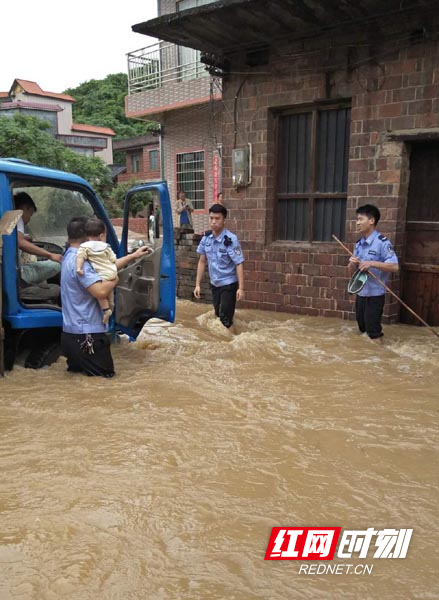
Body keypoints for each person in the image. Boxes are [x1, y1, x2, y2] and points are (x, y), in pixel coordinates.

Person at [61, 217, 150, 377]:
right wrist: (115, 279)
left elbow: (104, 267)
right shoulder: (80, 262)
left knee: (80, 383)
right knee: (105, 384)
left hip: (70, 335)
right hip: (88, 336)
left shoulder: (69, 256)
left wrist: (132, 256)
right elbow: (101, 291)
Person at [348, 204, 399, 343]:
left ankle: (381, 358)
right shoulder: (359, 244)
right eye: (357, 219)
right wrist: (352, 264)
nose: (357, 223)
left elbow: (395, 266)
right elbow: (351, 272)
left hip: (375, 296)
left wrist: (372, 263)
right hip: (361, 294)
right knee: (363, 330)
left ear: (371, 221)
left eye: (360, 219)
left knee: (374, 333)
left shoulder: (382, 243)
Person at [194, 203, 244, 333]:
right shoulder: (206, 238)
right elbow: (201, 261)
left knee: (225, 319)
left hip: (229, 284)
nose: (214, 222)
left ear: (224, 220)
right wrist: (197, 284)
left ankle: (236, 343)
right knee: (217, 314)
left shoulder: (231, 239)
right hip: (214, 284)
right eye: (211, 218)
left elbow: (239, 263)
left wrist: (241, 288)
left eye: (217, 218)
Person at [14, 191, 62, 285]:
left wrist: (24, 237)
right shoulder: (17, 216)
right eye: (30, 214)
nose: (29, 220)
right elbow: (20, 242)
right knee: (56, 265)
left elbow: (17, 238)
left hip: (8, 273)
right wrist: (50, 255)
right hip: (16, 275)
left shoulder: (5, 217)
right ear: (24, 208)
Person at [76, 217, 117, 325]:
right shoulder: (106, 246)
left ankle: (106, 310)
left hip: (101, 275)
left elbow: (80, 257)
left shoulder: (84, 247)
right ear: (102, 235)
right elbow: (113, 259)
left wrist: (79, 268)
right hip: (112, 273)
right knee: (110, 291)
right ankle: (112, 306)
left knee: (101, 295)